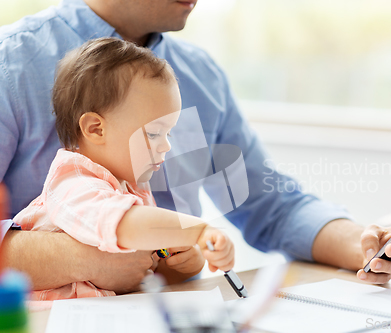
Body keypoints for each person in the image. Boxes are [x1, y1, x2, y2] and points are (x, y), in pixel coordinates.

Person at [0, 0, 391, 292]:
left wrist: (365, 244)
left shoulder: (199, 76)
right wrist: (74, 258)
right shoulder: (11, 65)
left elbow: (271, 206)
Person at [12, 37, 234, 300]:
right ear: (96, 129)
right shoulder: (73, 182)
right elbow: (122, 225)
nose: (166, 147)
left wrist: (182, 264)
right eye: (154, 134)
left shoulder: (132, 189)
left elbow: (141, 273)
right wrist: (198, 230)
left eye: (169, 134)